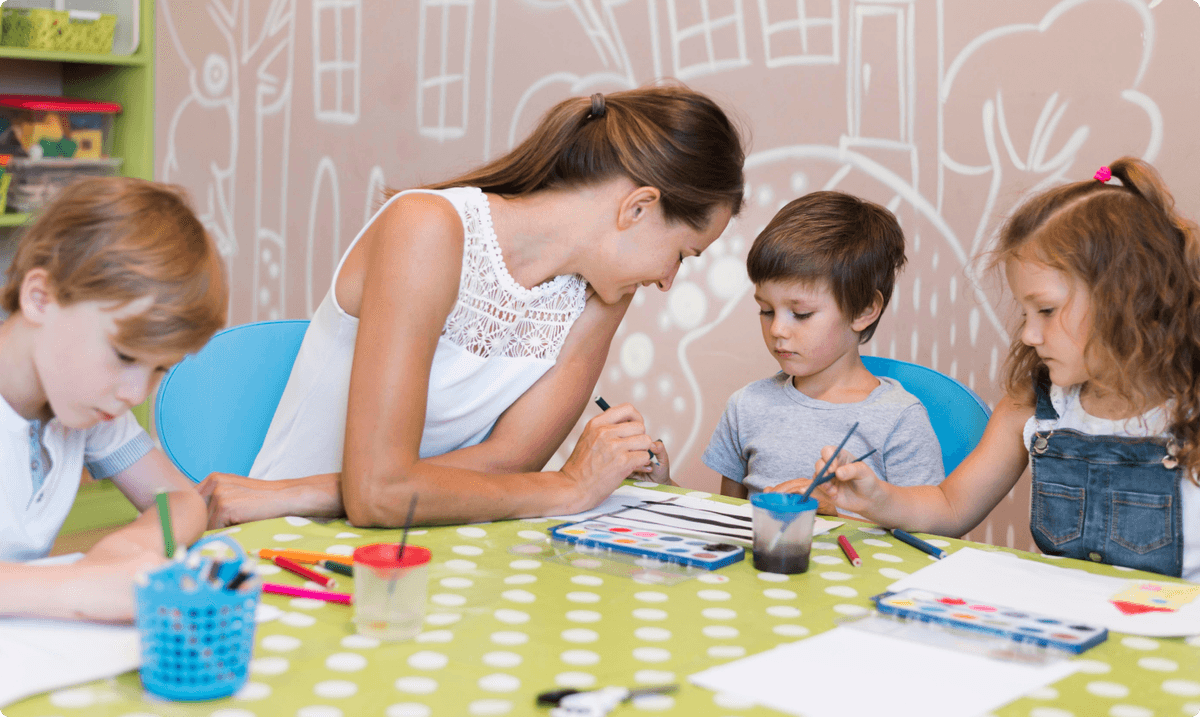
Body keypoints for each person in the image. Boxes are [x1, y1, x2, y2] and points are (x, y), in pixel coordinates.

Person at [200, 85, 746, 528]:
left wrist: (303, 493)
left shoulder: (602, 293)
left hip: (434, 538)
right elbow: (378, 496)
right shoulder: (428, 229)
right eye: (682, 253)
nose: (669, 280)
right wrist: (569, 485)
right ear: (638, 207)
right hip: (287, 543)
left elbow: (505, 466)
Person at [781, 158, 1200, 581]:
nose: (1030, 335)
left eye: (1047, 310)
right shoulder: (1031, 408)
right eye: (1026, 312)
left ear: (1127, 298)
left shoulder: (1189, 409)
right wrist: (878, 499)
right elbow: (950, 506)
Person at [0, 177, 227, 620]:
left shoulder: (87, 405)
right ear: (41, 298)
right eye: (124, 356)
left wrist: (128, 548)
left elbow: (180, 500)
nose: (134, 393)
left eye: (158, 368)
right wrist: (75, 588)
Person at [695, 191, 943, 505]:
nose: (777, 329)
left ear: (864, 310)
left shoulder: (899, 420)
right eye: (766, 310)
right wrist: (663, 483)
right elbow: (727, 520)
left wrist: (838, 513)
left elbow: (938, 537)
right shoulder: (747, 407)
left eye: (801, 314)